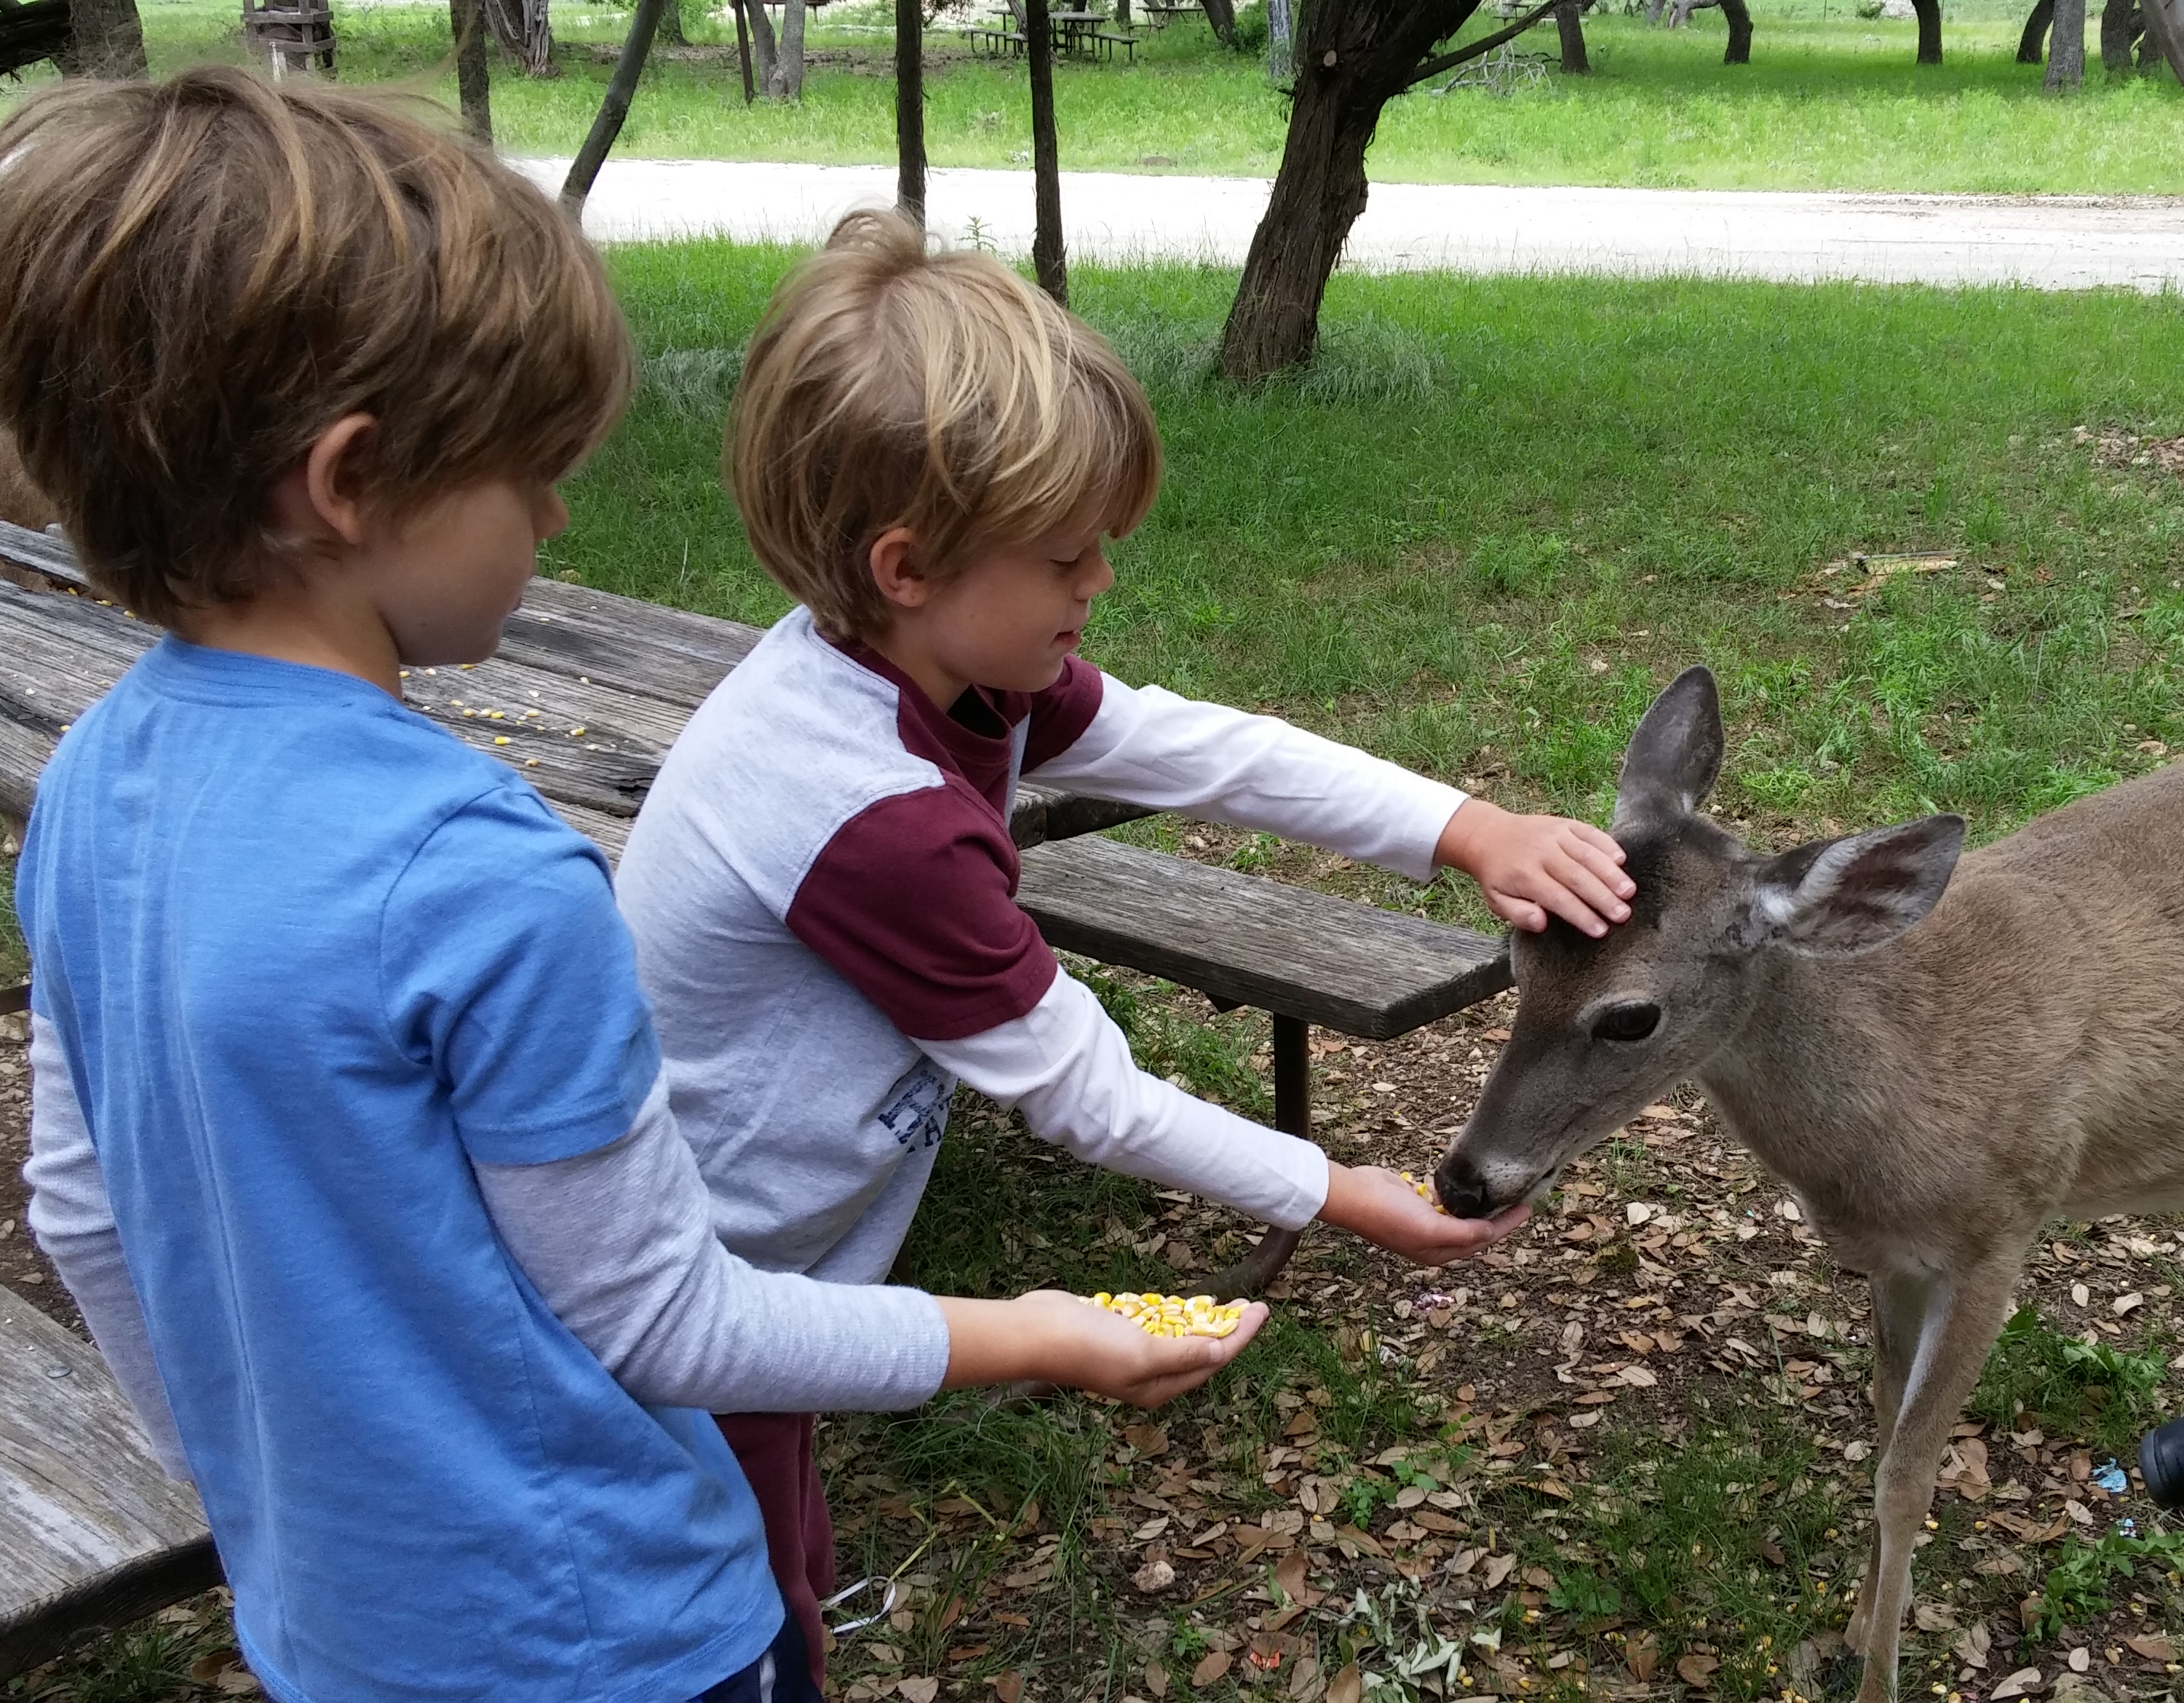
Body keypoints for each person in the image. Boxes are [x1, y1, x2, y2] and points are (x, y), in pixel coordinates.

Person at [0, 70, 1254, 1703]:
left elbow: (80, 1210)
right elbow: (672, 1324)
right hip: (613, 1632)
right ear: (352, 483)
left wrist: (253, 1494)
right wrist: (1037, 1328)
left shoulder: (94, 777)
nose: (559, 511)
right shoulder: (482, 874)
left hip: (328, 1626)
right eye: (527, 472)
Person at [616, 209, 1636, 1683]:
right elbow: (1085, 1095)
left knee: (780, 1559)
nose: (1100, 580)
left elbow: (1200, 749)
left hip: (776, 1267)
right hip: (711, 1290)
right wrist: (1338, 1192)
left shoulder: (933, 668)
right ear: (907, 565)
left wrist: (1464, 826)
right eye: (1065, 555)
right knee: (734, 1612)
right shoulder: (869, 819)